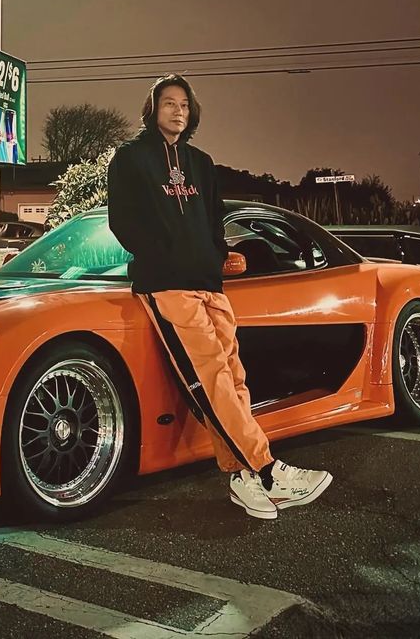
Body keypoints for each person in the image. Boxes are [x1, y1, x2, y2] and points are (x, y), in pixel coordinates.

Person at [107, 74, 333, 520]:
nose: (177, 111)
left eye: (185, 105)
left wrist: (214, 258)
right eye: (169, 103)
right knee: (211, 377)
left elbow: (215, 221)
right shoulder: (130, 160)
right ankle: (268, 470)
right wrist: (163, 255)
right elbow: (122, 221)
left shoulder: (202, 163)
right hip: (166, 284)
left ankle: (242, 477)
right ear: (152, 109)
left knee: (234, 376)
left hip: (210, 284)